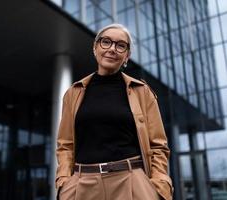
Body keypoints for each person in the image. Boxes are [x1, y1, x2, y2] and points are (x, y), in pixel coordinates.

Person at [55, 23, 173, 200]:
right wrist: (64, 182)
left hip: (132, 183)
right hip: (82, 186)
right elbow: (65, 144)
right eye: (106, 42)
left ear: (127, 56)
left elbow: (158, 145)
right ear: (95, 48)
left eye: (120, 45)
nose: (112, 49)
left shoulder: (142, 92)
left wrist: (159, 185)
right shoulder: (73, 93)